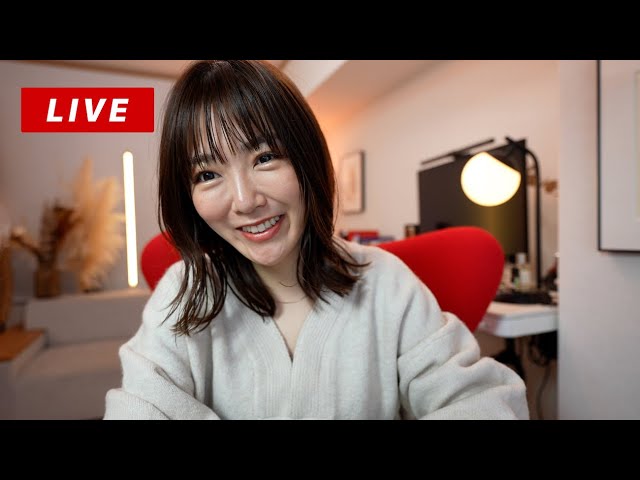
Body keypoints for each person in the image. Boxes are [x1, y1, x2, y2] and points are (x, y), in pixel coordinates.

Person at [104, 60, 529, 420]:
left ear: (307, 158)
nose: (245, 201)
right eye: (208, 174)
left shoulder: (386, 283)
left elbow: (481, 402)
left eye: (265, 157)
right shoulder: (183, 291)